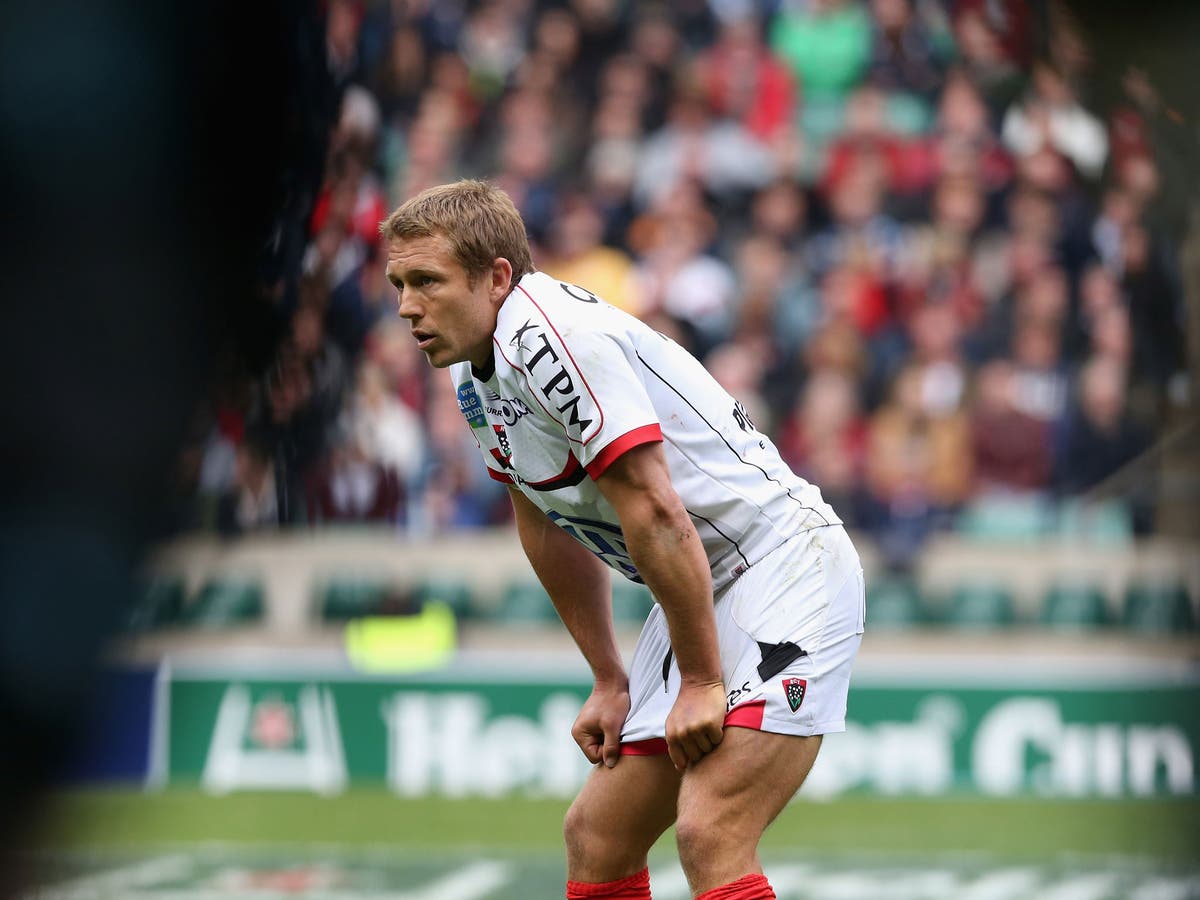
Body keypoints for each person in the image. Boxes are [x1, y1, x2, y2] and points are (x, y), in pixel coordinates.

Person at [380, 180, 865, 900]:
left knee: (711, 831)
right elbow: (541, 518)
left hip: (782, 561)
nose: (405, 306)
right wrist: (609, 676)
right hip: (702, 584)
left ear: (497, 278)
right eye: (397, 284)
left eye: (426, 281)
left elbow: (656, 509)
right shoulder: (472, 378)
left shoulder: (549, 337)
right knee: (597, 836)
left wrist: (701, 679)